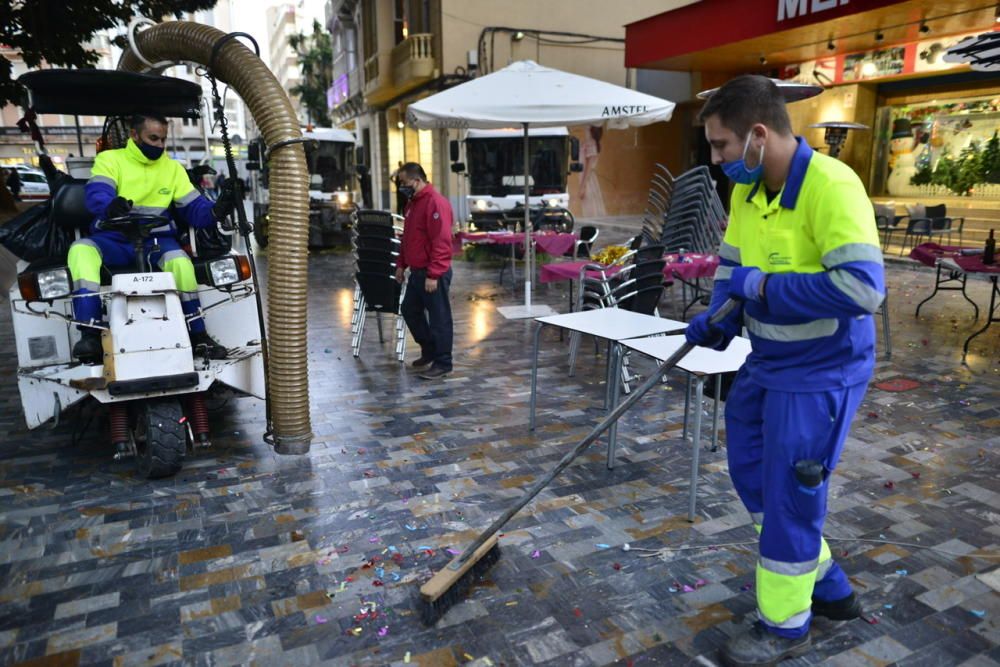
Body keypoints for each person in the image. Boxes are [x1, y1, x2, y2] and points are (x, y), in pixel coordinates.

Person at [686, 76, 884, 667]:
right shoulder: (748, 194)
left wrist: (761, 288)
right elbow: (733, 266)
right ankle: (830, 587)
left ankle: (784, 624)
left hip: (822, 374)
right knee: (754, 479)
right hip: (767, 366)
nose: (717, 160)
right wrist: (720, 315)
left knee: (790, 498)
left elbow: (861, 288)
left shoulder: (832, 186)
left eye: (721, 147)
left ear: (758, 135)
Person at [67, 113, 236, 363]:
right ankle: (91, 333)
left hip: (154, 242)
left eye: (163, 139)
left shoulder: (172, 169)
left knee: (180, 262)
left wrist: (215, 211)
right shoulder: (110, 160)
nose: (159, 145)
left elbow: (193, 208)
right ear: (134, 135)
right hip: (113, 240)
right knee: (80, 250)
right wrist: (109, 205)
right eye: (153, 138)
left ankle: (198, 335)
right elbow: (97, 192)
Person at [394, 162, 454, 380]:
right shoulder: (412, 204)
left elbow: (442, 241)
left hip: (432, 273)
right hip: (417, 272)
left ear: (416, 181)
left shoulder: (435, 203)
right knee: (409, 309)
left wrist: (434, 274)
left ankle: (443, 362)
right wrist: (401, 264)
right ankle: (429, 349)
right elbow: (407, 238)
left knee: (440, 318)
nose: (401, 186)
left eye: (403, 182)